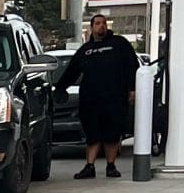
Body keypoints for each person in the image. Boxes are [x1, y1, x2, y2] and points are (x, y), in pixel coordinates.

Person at [59, 12, 140, 179]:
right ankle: (90, 166)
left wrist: (132, 89)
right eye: (97, 23)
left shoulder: (119, 44)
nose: (101, 26)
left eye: (104, 23)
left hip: (114, 98)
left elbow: (132, 66)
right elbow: (71, 71)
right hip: (90, 99)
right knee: (92, 134)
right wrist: (60, 88)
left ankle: (111, 166)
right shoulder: (85, 50)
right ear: (91, 28)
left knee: (111, 133)